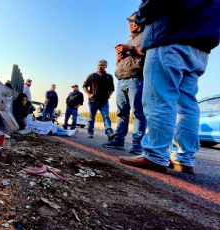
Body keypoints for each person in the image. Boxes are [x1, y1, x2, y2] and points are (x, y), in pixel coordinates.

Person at [119, 0, 220, 174]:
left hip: (169, 35)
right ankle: (184, 159)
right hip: (202, 43)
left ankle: (155, 155)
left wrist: (141, 16)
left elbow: (150, 4)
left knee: (159, 98)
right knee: (187, 103)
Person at [103, 12, 147, 154]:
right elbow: (119, 62)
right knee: (121, 113)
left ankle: (137, 145)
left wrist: (131, 49)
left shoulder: (146, 36)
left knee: (138, 113)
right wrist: (119, 55)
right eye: (129, 22)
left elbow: (148, 53)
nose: (131, 24)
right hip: (122, 80)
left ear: (141, 22)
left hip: (136, 79)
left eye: (134, 21)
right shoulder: (128, 41)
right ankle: (118, 141)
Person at [83, 60, 115, 139]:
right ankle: (90, 131)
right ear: (97, 66)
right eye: (99, 65)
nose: (100, 66)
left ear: (105, 66)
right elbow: (84, 86)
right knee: (91, 117)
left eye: (102, 65)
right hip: (93, 101)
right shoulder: (92, 75)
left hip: (104, 101)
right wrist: (89, 94)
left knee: (106, 116)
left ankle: (109, 132)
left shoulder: (109, 76)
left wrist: (109, 96)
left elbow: (112, 88)